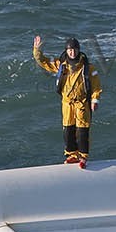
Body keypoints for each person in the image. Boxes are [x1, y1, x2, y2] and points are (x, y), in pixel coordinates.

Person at [33, 35, 102, 167]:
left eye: (75, 49)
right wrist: (37, 49)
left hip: (82, 103)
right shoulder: (61, 65)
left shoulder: (88, 67)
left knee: (82, 130)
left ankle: (83, 156)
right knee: (68, 129)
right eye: (70, 50)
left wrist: (95, 100)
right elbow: (43, 61)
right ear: (66, 51)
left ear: (79, 50)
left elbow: (96, 85)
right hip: (67, 103)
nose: (72, 52)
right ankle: (71, 155)